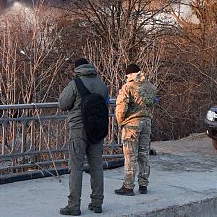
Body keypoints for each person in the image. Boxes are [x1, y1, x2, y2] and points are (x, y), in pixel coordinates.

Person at [58, 58, 109, 216]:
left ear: (76, 69)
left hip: (78, 130)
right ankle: (97, 203)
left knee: (76, 168)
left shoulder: (75, 84)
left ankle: (73, 206)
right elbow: (105, 104)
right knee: (97, 166)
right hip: (97, 129)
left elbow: (63, 104)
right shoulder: (101, 84)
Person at [114, 63, 157, 196]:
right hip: (146, 122)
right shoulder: (149, 86)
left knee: (130, 156)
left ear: (128, 74)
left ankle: (128, 186)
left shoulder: (128, 87)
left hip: (132, 124)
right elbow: (153, 102)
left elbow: (121, 108)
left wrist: (121, 122)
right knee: (144, 154)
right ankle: (143, 185)